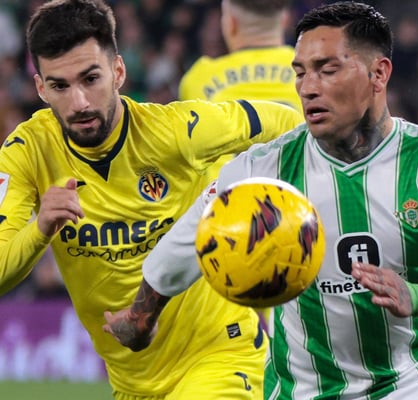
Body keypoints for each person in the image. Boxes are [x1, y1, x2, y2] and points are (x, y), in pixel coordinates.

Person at [104, 2, 418, 399]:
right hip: (306, 392)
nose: (308, 88)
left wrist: (416, 296)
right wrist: (141, 316)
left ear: (378, 74)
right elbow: (185, 243)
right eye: (300, 72)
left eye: (327, 70)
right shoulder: (263, 169)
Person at [0, 0, 303, 399]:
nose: (80, 103)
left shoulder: (176, 132)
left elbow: (288, 120)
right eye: (60, 86)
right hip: (131, 381)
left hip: (218, 354)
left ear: (118, 72)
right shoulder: (27, 152)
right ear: (40, 88)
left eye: (91, 78)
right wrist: (40, 229)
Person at [178, 0, 302, 183]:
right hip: (300, 195)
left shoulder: (198, 79)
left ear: (231, 24)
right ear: (286, 20)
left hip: (224, 197)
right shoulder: (309, 70)